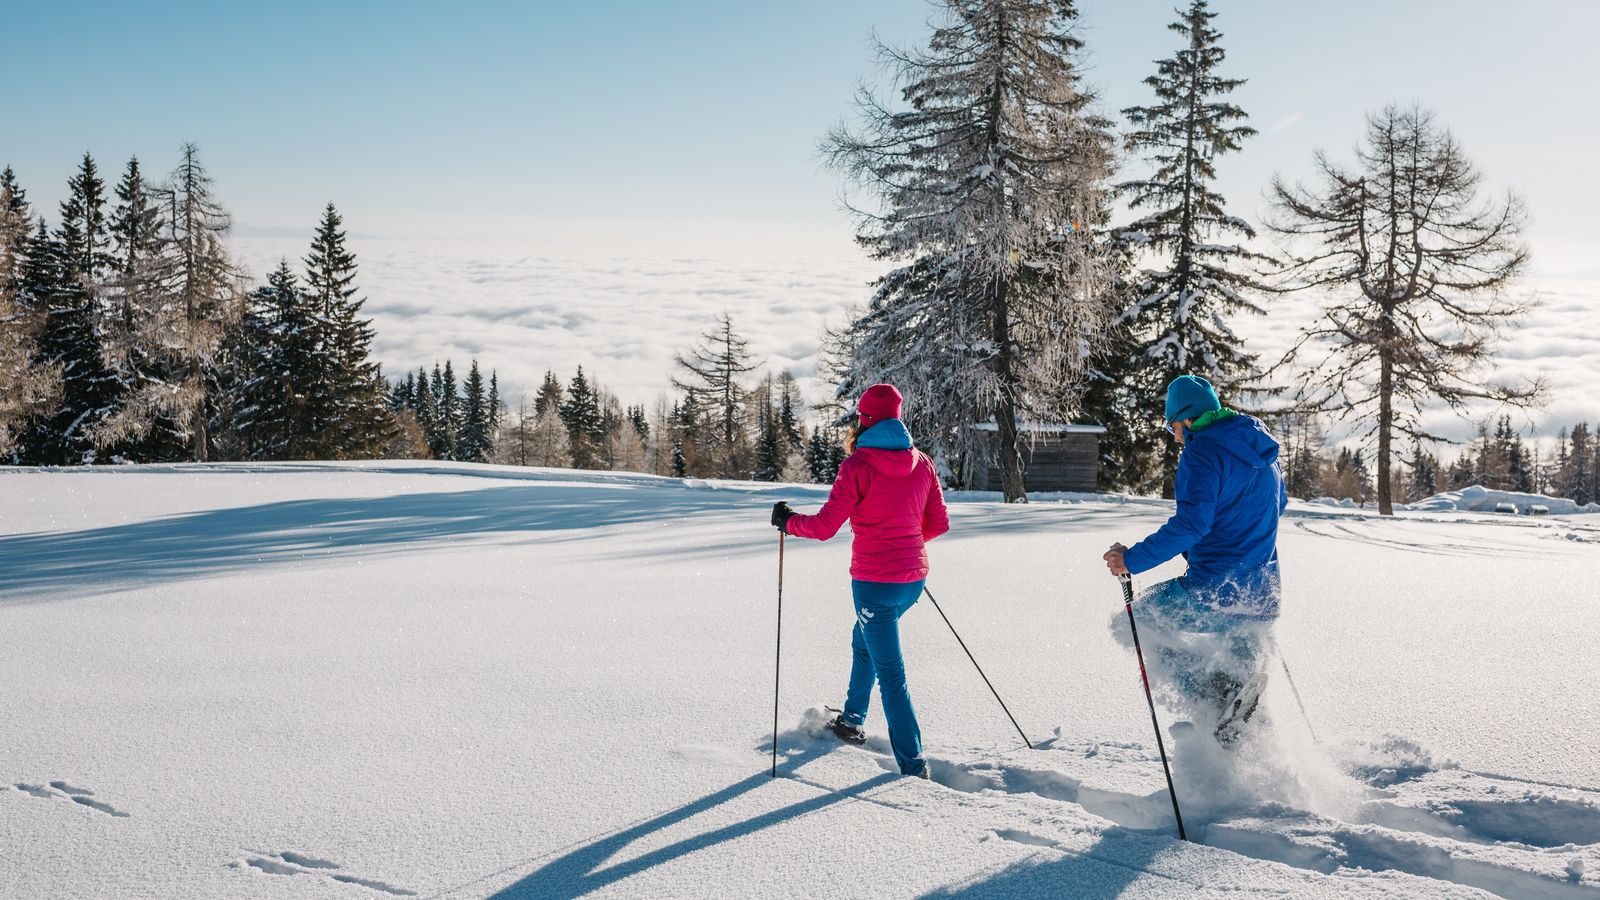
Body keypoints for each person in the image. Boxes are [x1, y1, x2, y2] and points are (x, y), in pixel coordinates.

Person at [771, 383, 949, 778]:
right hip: (912, 581)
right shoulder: (923, 462)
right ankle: (851, 720)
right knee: (863, 639)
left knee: (892, 675)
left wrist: (787, 522)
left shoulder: (857, 466)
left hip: (875, 583)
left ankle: (913, 765)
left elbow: (823, 527)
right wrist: (904, 543)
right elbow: (938, 523)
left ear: (864, 420)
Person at [1102, 374, 1288, 746]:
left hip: (1215, 590)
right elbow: (1276, 506)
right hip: (1263, 593)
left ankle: (1212, 698)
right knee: (1244, 678)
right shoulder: (1263, 453)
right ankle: (1255, 748)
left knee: (1139, 622)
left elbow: (1191, 523)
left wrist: (1131, 560)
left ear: (1187, 419)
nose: (1173, 436)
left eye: (1172, 425)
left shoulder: (1202, 453)